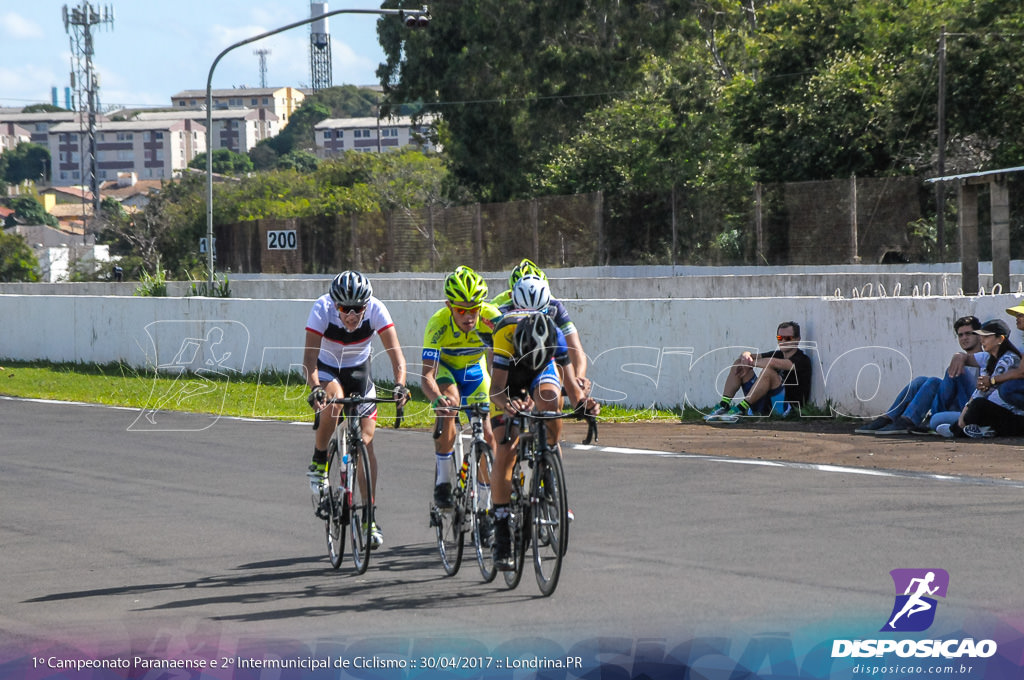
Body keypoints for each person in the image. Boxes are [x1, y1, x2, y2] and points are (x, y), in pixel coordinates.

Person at [303, 270, 411, 548]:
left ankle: (369, 518)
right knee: (334, 399)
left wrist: (400, 385)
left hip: (360, 374)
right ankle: (319, 460)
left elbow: (396, 355)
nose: (351, 315)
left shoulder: (377, 309)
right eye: (344, 309)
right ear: (334, 304)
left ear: (367, 305)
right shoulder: (321, 309)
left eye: (358, 309)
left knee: (366, 443)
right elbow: (310, 360)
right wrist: (315, 387)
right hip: (327, 371)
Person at [488, 312, 599, 570]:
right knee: (506, 446)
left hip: (542, 368)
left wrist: (585, 405)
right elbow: (496, 390)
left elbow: (571, 388)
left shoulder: (556, 337)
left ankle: (546, 459)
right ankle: (502, 528)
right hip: (510, 376)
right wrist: (509, 404)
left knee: (550, 401)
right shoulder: (504, 334)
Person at [420, 266, 501, 515]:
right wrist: (437, 400)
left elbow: (501, 361)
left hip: (475, 373)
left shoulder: (492, 319)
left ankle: (485, 507)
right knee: (450, 403)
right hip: (447, 371)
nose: (469, 316)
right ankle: (443, 482)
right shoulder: (438, 324)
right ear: (448, 306)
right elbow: (426, 376)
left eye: (474, 309)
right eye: (461, 310)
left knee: (488, 433)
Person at [855, 315, 983, 435]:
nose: (964, 338)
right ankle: (889, 417)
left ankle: (911, 420)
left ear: (978, 335)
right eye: (960, 335)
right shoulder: (960, 359)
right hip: (953, 402)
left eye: (968, 333)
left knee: (935, 380)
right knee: (921, 381)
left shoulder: (984, 357)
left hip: (968, 406)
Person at [493, 259, 591, 393]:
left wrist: (579, 376)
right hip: (512, 359)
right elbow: (491, 356)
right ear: (512, 294)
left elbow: (574, 346)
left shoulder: (554, 306)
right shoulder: (500, 309)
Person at [704, 321, 813, 422]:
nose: (783, 341)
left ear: (797, 339)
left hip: (785, 408)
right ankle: (724, 405)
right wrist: (745, 356)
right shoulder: (777, 354)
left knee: (769, 372)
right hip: (766, 403)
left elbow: (773, 363)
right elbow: (749, 355)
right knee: (739, 363)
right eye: (780, 338)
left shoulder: (802, 360)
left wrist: (749, 362)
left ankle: (740, 408)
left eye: (787, 338)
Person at [938, 319, 1024, 438]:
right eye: (981, 336)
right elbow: (979, 388)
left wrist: (965, 416)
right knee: (973, 408)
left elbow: (985, 392)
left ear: (1000, 339)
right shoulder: (989, 357)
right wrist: (958, 355)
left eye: (986, 336)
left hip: (1014, 417)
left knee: (979, 405)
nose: (982, 340)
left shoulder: (1008, 359)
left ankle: (958, 430)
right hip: (999, 413)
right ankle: (981, 430)